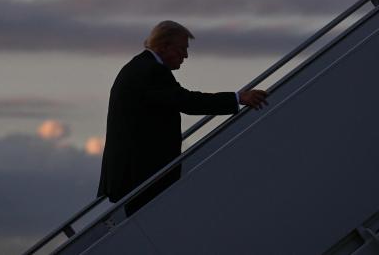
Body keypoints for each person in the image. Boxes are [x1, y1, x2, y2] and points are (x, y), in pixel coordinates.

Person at [97, 20, 268, 215]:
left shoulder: (139, 67)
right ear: (164, 46)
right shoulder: (151, 71)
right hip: (143, 173)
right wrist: (237, 98)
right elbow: (187, 101)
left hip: (133, 172)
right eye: (182, 49)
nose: (185, 56)